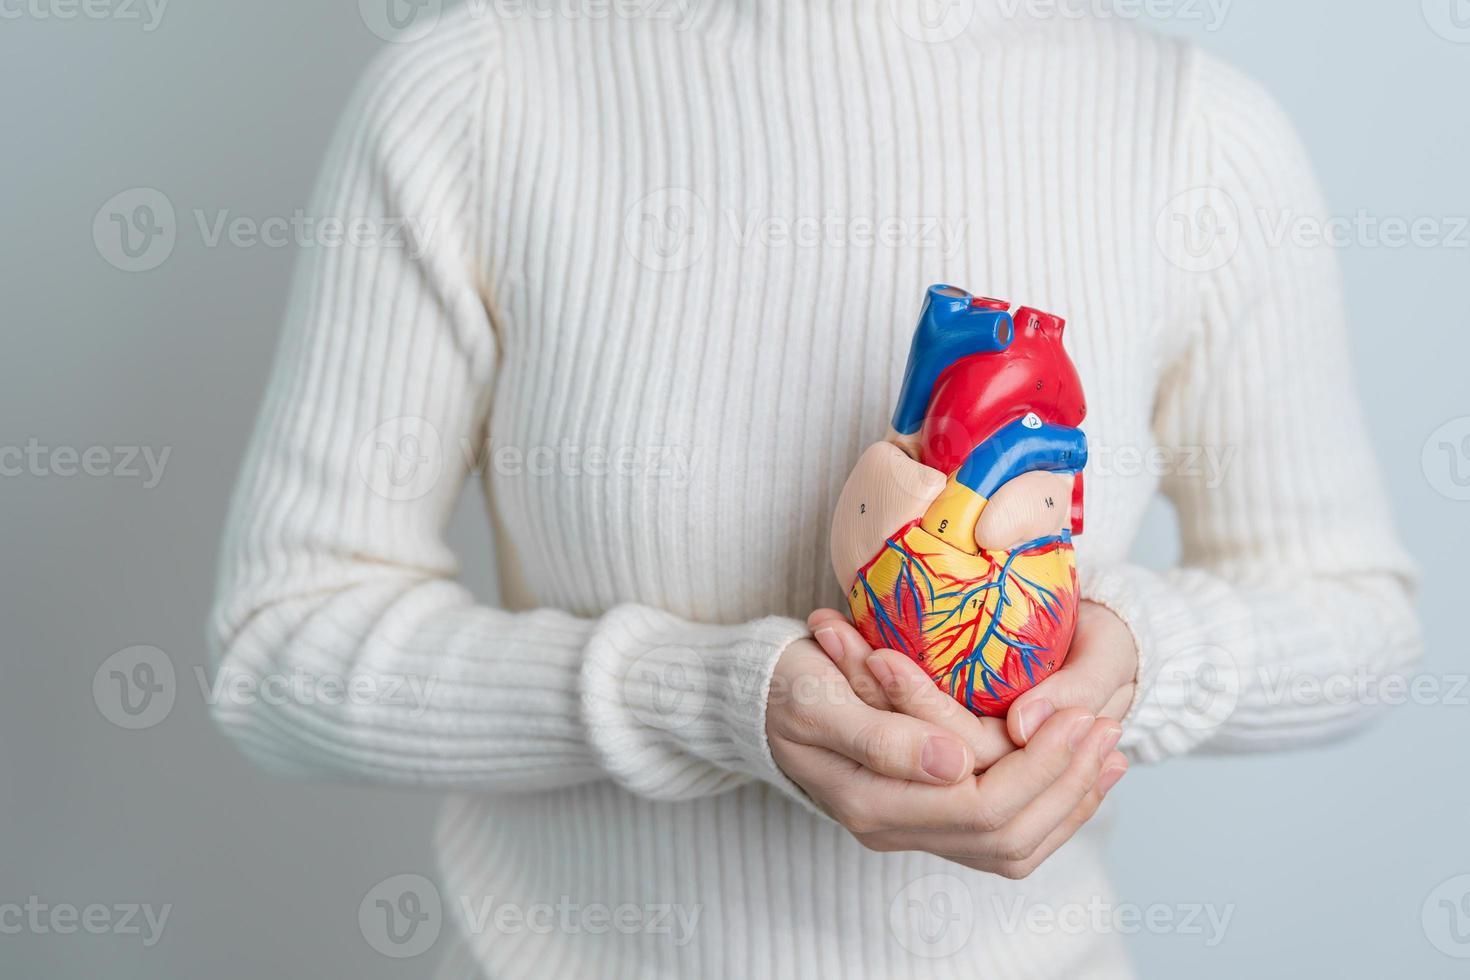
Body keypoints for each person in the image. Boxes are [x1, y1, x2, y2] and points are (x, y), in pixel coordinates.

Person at [208, 4, 1419, 977]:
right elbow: (277, 649)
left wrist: (1123, 671)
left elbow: (1360, 623)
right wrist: (712, 702)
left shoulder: (1190, 129)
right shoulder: (475, 96)